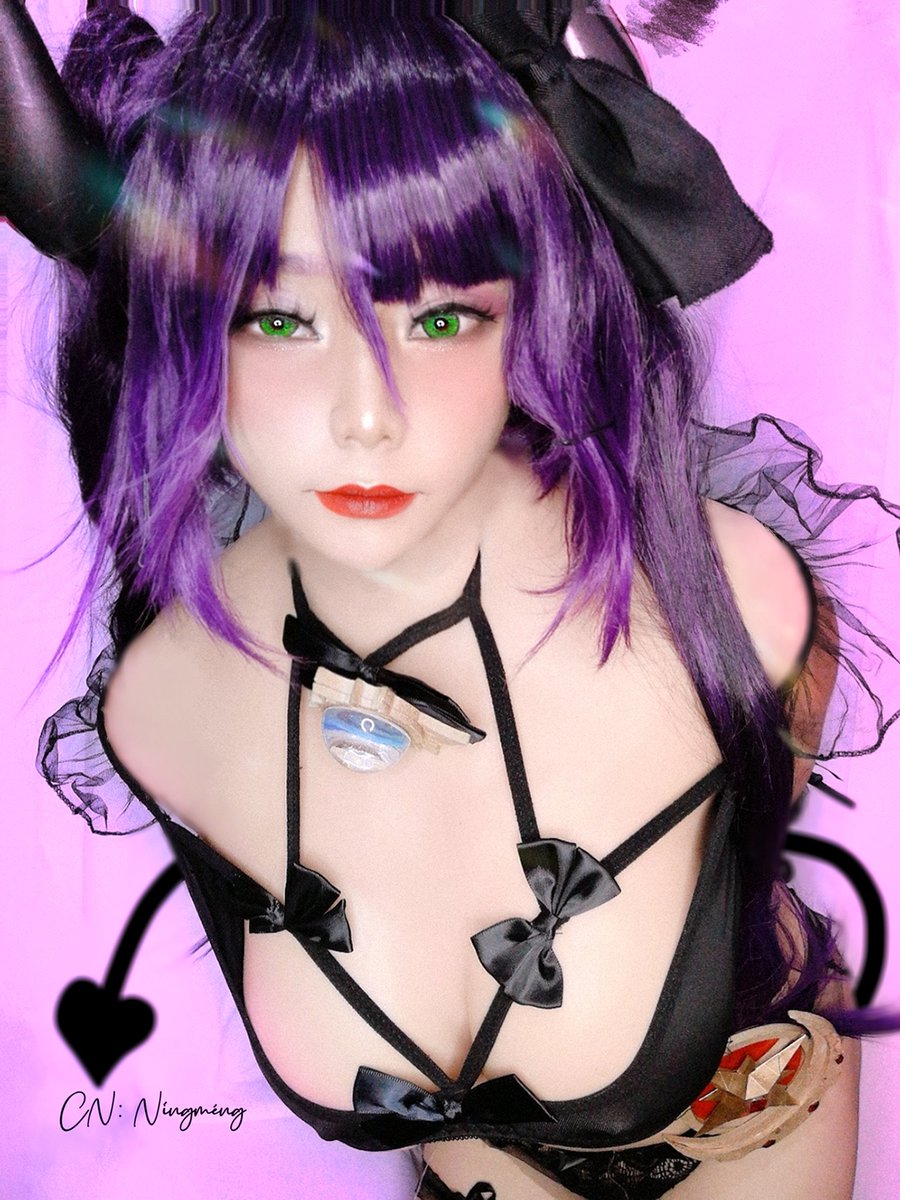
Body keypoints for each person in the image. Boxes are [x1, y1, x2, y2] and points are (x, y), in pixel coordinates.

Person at [6, 2, 899, 1197]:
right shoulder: (163, 702)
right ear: (189, 334)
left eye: (438, 317)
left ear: (531, 309)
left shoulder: (732, 601)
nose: (366, 415)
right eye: (279, 318)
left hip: (757, 1132)